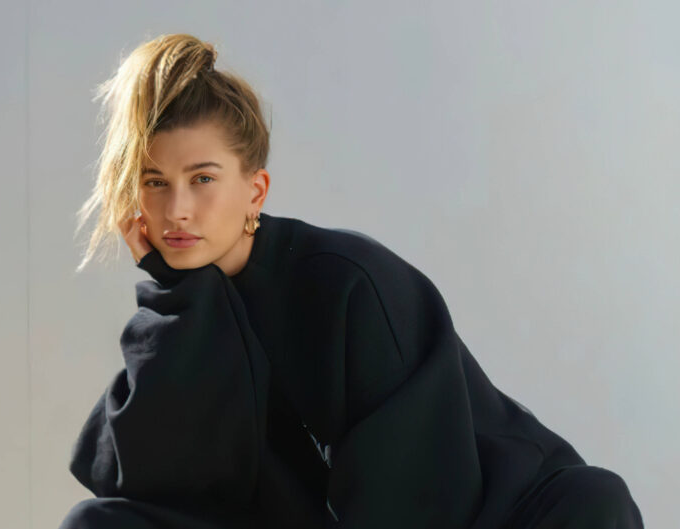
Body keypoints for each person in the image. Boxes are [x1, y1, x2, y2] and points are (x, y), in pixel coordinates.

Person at [60, 33, 644, 529]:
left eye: (202, 179)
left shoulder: (346, 285)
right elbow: (141, 477)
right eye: (155, 182)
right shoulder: (183, 303)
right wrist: (174, 296)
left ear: (255, 191)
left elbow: (414, 494)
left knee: (595, 499)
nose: (178, 210)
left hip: (487, 516)